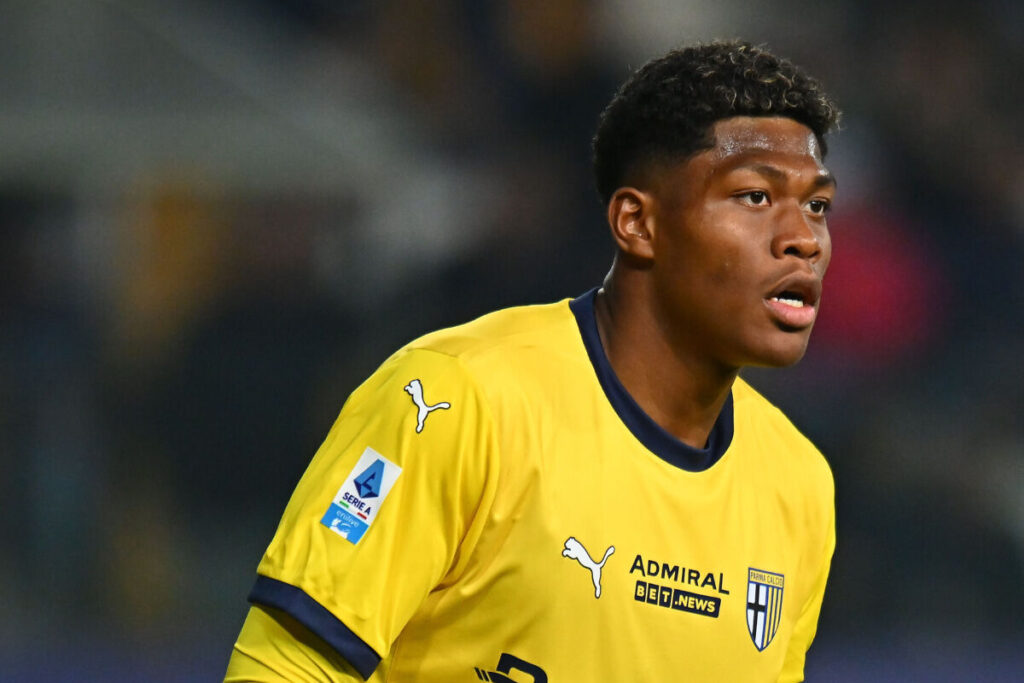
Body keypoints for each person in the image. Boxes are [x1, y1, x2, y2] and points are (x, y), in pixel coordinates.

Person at [225, 39, 840, 682]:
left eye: (818, 205)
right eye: (754, 197)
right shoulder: (455, 398)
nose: (804, 239)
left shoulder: (798, 485)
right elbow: (284, 669)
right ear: (637, 223)